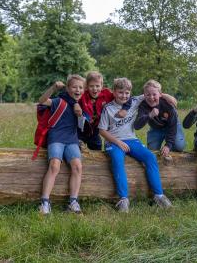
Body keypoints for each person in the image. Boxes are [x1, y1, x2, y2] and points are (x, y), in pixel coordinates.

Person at [98, 77, 176, 212]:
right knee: (117, 159)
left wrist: (167, 96)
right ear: (114, 92)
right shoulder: (108, 108)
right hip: (114, 141)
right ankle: (123, 199)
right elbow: (102, 130)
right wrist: (118, 142)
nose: (124, 96)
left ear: (130, 93)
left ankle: (159, 195)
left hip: (131, 139)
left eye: (127, 93)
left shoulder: (135, 101)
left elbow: (152, 92)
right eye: (120, 92)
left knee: (150, 157)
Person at [38, 75, 85, 215]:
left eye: (81, 87)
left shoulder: (82, 104)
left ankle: (73, 201)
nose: (78, 90)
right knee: (54, 165)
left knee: (77, 166)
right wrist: (53, 88)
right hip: (56, 137)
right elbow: (41, 101)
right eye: (74, 87)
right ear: (68, 88)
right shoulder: (59, 101)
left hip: (72, 139)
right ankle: (45, 202)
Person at [78, 71, 131, 150]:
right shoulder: (82, 95)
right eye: (91, 86)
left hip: (95, 130)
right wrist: (75, 104)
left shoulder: (107, 94)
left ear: (102, 85)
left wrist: (125, 109)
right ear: (86, 86)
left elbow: (127, 98)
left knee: (97, 148)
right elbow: (68, 96)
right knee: (77, 148)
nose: (95, 89)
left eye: (97, 86)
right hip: (80, 130)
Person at [134, 79, 185, 157]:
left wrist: (168, 145)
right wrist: (149, 115)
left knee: (179, 147)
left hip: (172, 126)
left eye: (154, 94)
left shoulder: (167, 104)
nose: (151, 97)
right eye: (148, 95)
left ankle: (168, 153)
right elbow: (137, 126)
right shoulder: (143, 105)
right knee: (152, 150)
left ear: (160, 94)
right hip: (156, 128)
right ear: (144, 95)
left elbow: (172, 125)